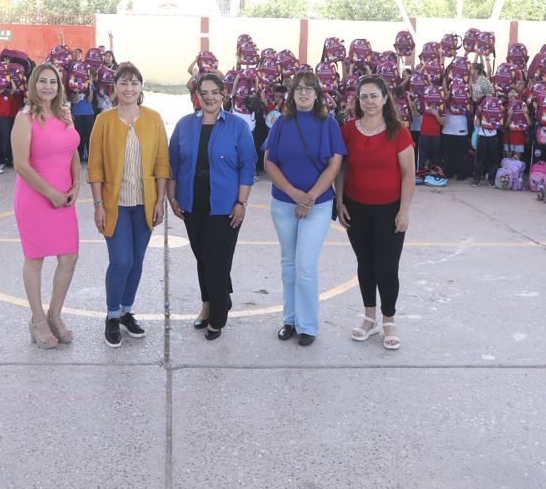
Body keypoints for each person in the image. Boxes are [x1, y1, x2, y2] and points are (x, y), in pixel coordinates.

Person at [87, 63, 170, 348]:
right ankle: (111, 315)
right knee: (121, 261)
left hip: (144, 203)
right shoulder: (104, 121)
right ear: (115, 87)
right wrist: (98, 204)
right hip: (116, 204)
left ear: (141, 87)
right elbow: (95, 166)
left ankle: (126, 312)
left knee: (136, 262)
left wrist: (160, 201)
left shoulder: (154, 119)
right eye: (123, 82)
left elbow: (162, 163)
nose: (129, 88)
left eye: (134, 83)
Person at [167, 71, 255, 339]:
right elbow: (173, 163)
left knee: (217, 261)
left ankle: (218, 316)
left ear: (223, 94)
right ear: (197, 96)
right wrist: (172, 197)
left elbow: (247, 166)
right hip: (192, 201)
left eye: (214, 92)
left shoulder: (238, 126)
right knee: (203, 258)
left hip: (225, 205)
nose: (209, 98)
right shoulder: (184, 125)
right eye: (203, 93)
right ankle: (209, 305)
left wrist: (241, 202)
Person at [263, 70, 345, 346]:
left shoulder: (328, 124)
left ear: (317, 94)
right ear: (292, 94)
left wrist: (309, 197)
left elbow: (335, 163)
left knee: (305, 265)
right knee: (289, 263)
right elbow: (269, 161)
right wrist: (293, 193)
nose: (304, 93)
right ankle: (290, 319)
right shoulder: (281, 123)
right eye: (298, 88)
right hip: (284, 203)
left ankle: (308, 325)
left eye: (309, 88)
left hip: (317, 205)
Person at [336, 75, 415, 351]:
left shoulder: (398, 131)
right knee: (365, 263)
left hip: (389, 210)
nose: (369, 101)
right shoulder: (348, 129)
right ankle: (369, 317)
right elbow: (342, 168)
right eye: (363, 97)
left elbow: (408, 174)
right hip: (356, 208)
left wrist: (403, 210)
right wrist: (339, 200)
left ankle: (389, 320)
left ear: (384, 98)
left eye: (373, 96)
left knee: (387, 267)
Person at [11, 64, 82, 349]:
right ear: (33, 84)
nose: (48, 87)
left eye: (53, 82)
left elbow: (72, 150)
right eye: (42, 81)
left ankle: (55, 314)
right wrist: (50, 193)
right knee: (36, 258)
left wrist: (76, 183)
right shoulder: (24, 118)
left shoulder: (65, 113)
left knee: (69, 257)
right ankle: (37, 319)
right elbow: (21, 165)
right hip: (35, 197)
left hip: (64, 196)